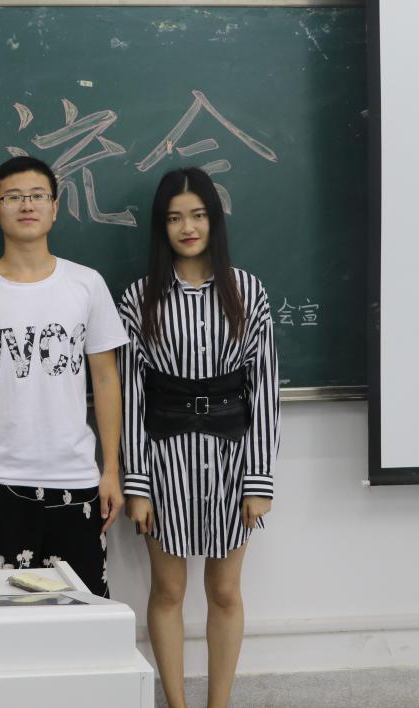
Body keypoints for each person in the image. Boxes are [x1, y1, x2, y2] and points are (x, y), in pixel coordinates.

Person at [118, 167, 279, 708]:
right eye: (174, 218)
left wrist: (259, 480)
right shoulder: (140, 298)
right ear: (161, 226)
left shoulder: (247, 291)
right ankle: (177, 704)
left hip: (232, 460)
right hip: (164, 460)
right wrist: (137, 485)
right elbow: (131, 396)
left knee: (225, 591)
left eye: (198, 215)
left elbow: (264, 391)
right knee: (168, 590)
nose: (187, 228)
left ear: (214, 219)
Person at [0, 155, 125, 596]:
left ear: (55, 207)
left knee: (82, 609)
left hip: (76, 477)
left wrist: (111, 470)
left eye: (38, 195)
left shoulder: (86, 284)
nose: (27, 205)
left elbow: (105, 381)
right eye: (13, 197)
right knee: (0, 611)